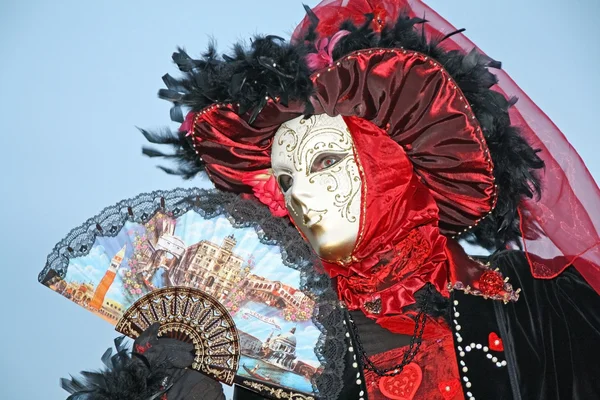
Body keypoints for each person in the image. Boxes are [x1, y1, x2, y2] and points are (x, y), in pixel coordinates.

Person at [63, 0, 600, 399]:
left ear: (395, 159)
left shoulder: (537, 298)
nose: (303, 197)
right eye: (286, 182)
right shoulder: (282, 353)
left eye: (323, 162)